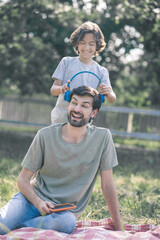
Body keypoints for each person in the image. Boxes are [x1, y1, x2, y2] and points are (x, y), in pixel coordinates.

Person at [0, 86, 122, 235]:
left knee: (67, 223)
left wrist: (119, 229)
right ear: (68, 105)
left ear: (93, 113)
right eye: (74, 103)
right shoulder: (45, 135)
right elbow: (22, 180)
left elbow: (108, 185)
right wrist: (38, 203)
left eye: (84, 106)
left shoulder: (103, 138)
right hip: (30, 200)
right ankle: (14, 229)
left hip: (61, 213)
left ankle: (17, 229)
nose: (77, 109)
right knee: (1, 224)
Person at [50, 21, 116, 124]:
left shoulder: (101, 71)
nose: (86, 47)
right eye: (83, 43)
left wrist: (108, 92)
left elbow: (112, 99)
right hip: (60, 120)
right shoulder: (66, 62)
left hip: (83, 124)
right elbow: (53, 90)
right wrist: (61, 89)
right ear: (77, 43)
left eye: (91, 44)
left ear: (97, 46)